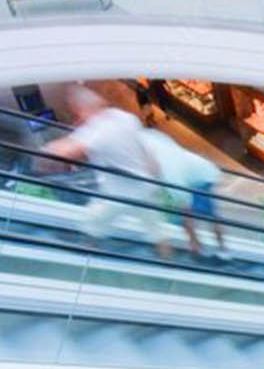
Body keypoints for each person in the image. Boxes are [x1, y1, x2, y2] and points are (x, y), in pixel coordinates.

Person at [43, 86, 172, 257]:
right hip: (145, 187)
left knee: (92, 224)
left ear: (81, 110)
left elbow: (64, 152)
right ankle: (168, 263)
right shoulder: (125, 117)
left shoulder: (96, 129)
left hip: (117, 195)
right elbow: (144, 149)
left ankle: (85, 258)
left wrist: (47, 147)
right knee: (157, 231)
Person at [139, 129, 227, 258]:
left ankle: (216, 250)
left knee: (204, 214)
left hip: (200, 178)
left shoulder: (168, 171)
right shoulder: (144, 139)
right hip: (194, 170)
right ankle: (201, 246)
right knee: (187, 214)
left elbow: (185, 207)